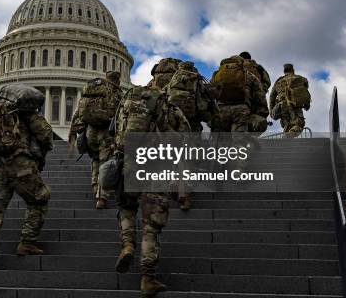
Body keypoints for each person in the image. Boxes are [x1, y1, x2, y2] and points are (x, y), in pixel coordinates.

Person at [113, 82, 191, 296]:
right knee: (151, 224)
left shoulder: (127, 102)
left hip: (129, 161)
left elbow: (117, 133)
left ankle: (127, 245)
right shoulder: (163, 103)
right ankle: (147, 277)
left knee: (126, 207)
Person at [0, 90, 53, 270]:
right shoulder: (27, 114)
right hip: (21, 166)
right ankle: (27, 242)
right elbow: (46, 135)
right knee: (39, 199)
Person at [165, 61, 218, 209]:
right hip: (192, 125)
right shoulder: (198, 81)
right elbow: (206, 106)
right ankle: (185, 195)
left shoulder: (172, 81)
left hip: (174, 124)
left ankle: (174, 183)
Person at [69, 71, 123, 209]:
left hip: (90, 131)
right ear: (117, 80)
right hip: (106, 132)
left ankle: (94, 185)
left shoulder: (93, 88)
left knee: (95, 159)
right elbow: (120, 114)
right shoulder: (116, 93)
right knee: (105, 162)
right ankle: (101, 196)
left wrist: (74, 130)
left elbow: (78, 112)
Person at [211, 55, 268, 133]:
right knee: (239, 141)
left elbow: (209, 93)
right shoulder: (248, 75)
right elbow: (260, 95)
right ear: (240, 63)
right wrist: (262, 113)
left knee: (219, 141)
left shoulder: (216, 75)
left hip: (220, 110)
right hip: (241, 111)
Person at [270, 64, 311, 137]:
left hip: (282, 106)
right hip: (295, 105)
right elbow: (305, 93)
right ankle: (287, 136)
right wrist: (307, 104)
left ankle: (285, 141)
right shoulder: (301, 79)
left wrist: (271, 110)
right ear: (292, 70)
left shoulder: (278, 81)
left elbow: (272, 96)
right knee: (299, 125)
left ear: (284, 71)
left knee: (287, 126)